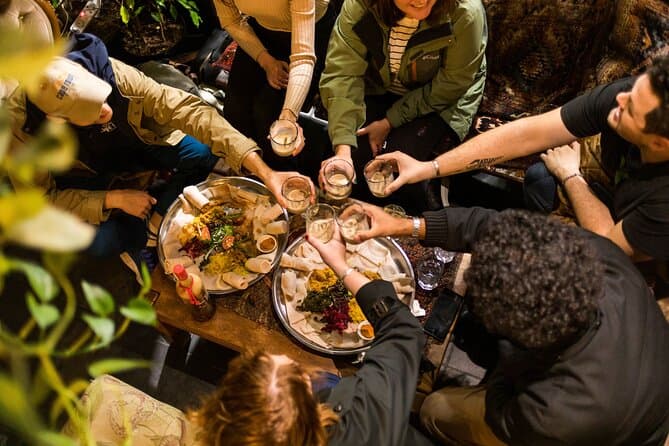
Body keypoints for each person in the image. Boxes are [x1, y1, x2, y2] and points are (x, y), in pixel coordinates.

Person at [352, 205, 669, 445]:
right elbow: (490, 226)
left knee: (435, 410)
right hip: (638, 360)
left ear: (519, 337)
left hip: (614, 429)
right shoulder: (598, 255)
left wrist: (503, 370)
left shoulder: (555, 412)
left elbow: (504, 399)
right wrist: (408, 225)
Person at [8, 33, 314, 269]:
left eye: (103, 98)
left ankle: (155, 220)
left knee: (203, 153)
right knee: (97, 245)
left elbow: (189, 112)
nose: (105, 110)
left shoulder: (109, 71)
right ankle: (135, 236)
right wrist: (112, 199)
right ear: (57, 121)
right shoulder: (22, 137)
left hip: (139, 141)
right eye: (93, 111)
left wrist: (266, 172)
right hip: (86, 175)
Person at [376, 55, 669, 261]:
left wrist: (572, 177)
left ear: (660, 142)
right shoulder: (629, 95)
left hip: (639, 253)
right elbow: (528, 134)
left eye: (630, 108)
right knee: (540, 179)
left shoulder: (664, 201)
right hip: (623, 189)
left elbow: (609, 248)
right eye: (631, 90)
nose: (620, 98)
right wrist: (429, 168)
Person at [189, 228, 434, 446]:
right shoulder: (367, 420)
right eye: (296, 371)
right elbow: (403, 331)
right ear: (307, 400)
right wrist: (342, 267)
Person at [318, 0, 487, 213]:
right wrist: (343, 151)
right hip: (380, 86)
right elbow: (343, 74)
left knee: (404, 166)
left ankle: (428, 205)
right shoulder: (360, 5)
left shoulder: (465, 11)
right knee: (354, 155)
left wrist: (390, 121)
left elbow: (452, 84)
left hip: (441, 96)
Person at [214, 0, 339, 174]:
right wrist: (265, 60)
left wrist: (288, 117)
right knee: (235, 113)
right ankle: (249, 172)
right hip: (262, 30)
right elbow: (231, 21)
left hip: (311, 31)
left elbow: (303, 57)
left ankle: (286, 180)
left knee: (270, 119)